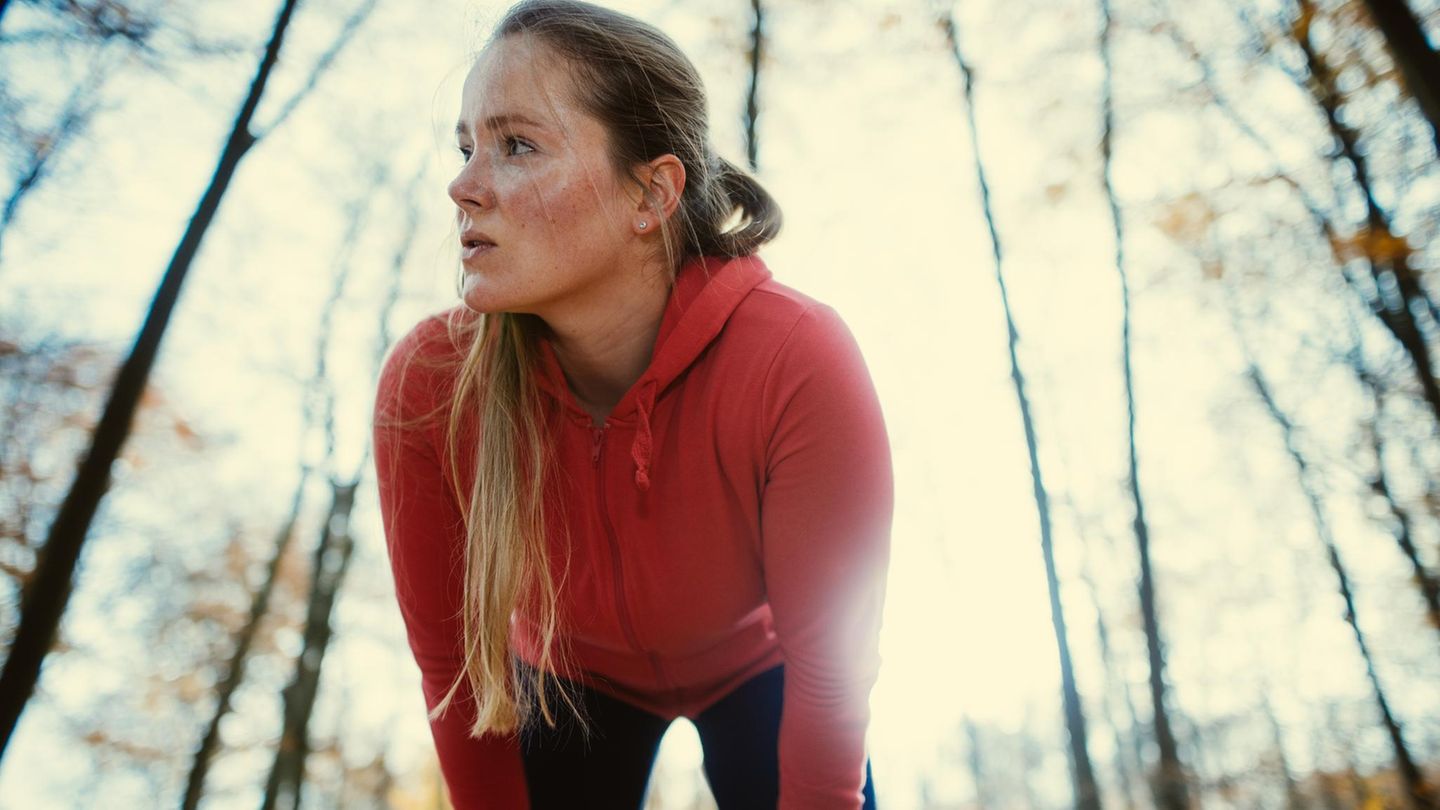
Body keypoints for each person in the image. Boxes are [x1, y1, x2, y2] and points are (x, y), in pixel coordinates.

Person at [371, 1, 893, 807]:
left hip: (764, 666)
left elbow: (830, 669)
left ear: (650, 196)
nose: (463, 185)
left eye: (516, 145)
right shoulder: (430, 384)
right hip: (565, 676)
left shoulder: (795, 356)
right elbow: (455, 671)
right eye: (467, 146)